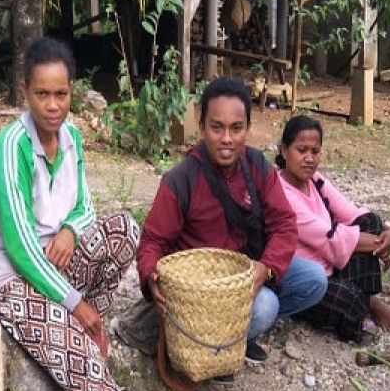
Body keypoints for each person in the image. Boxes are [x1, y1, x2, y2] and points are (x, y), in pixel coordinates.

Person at [0, 36, 216, 391]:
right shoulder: (11, 147)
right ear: (25, 92)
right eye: (42, 94)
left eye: (61, 94)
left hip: (57, 265)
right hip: (13, 279)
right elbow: (20, 247)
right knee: (82, 363)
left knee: (124, 229)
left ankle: (83, 330)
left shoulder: (72, 139)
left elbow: (87, 206)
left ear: (71, 92)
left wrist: (69, 228)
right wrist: (76, 304)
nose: (53, 105)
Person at [136, 77, 327, 365]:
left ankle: (235, 337)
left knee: (314, 280)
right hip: (201, 290)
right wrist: (152, 277)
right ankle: (209, 341)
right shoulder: (180, 180)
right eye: (217, 128)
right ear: (202, 127)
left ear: (247, 129)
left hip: (246, 273)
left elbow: (284, 224)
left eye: (236, 128)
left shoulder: (257, 166)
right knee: (265, 307)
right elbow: (153, 240)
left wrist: (266, 267)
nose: (227, 139)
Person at [275, 115, 390, 341]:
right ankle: (366, 303)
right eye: (301, 150)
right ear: (284, 151)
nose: (309, 158)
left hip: (332, 262)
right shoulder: (280, 193)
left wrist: (388, 231)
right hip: (309, 278)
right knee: (347, 301)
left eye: (315, 151)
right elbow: (330, 238)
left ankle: (366, 301)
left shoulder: (315, 180)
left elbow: (352, 212)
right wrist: (381, 243)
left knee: (370, 221)